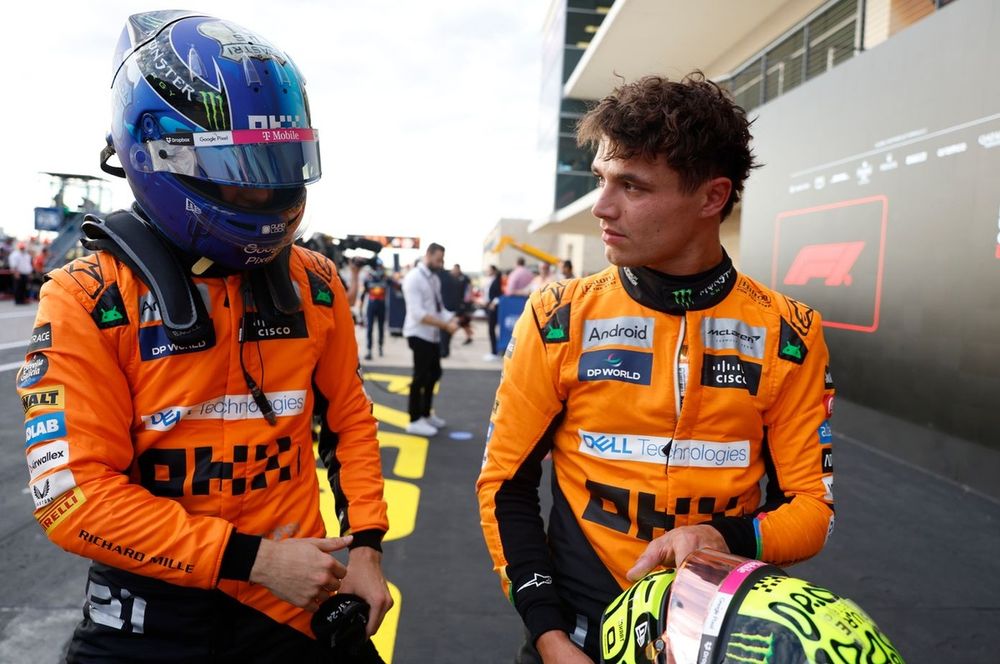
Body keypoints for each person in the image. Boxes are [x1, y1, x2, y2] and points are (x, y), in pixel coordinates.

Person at [17, 11, 391, 662]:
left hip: (296, 602)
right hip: (151, 612)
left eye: (281, 161)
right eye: (241, 165)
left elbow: (350, 421)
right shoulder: (87, 297)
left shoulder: (318, 283)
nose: (268, 187)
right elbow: (73, 495)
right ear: (152, 152)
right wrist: (254, 560)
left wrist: (367, 544)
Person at [477, 72, 835, 664]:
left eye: (633, 187)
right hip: (574, 634)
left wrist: (724, 538)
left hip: (716, 636)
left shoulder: (788, 333)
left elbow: (811, 510)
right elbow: (505, 487)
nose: (601, 206)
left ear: (712, 198)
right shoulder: (558, 316)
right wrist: (547, 635)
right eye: (601, 180)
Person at [401, 243, 459, 436]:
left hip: (431, 335)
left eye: (442, 260)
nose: (441, 264)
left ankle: (426, 414)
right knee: (420, 377)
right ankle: (414, 419)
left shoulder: (434, 278)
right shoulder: (413, 278)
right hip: (418, 334)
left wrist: (455, 319)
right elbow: (418, 314)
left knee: (434, 374)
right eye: (438, 260)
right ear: (428, 255)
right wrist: (445, 326)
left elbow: (439, 308)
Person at [361, 260, 390, 360]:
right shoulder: (368, 277)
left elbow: (395, 284)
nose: (378, 269)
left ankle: (380, 346)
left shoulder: (385, 277)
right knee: (370, 328)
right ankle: (369, 350)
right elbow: (364, 292)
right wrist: (361, 306)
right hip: (372, 306)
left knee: (381, 328)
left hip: (381, 305)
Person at [482, 264, 503, 360]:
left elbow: (499, 294)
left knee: (492, 329)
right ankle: (494, 350)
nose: (488, 271)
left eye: (489, 270)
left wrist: (493, 303)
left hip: (494, 307)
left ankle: (494, 352)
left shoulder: (498, 280)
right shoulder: (489, 280)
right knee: (491, 329)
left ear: (494, 270)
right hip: (489, 306)